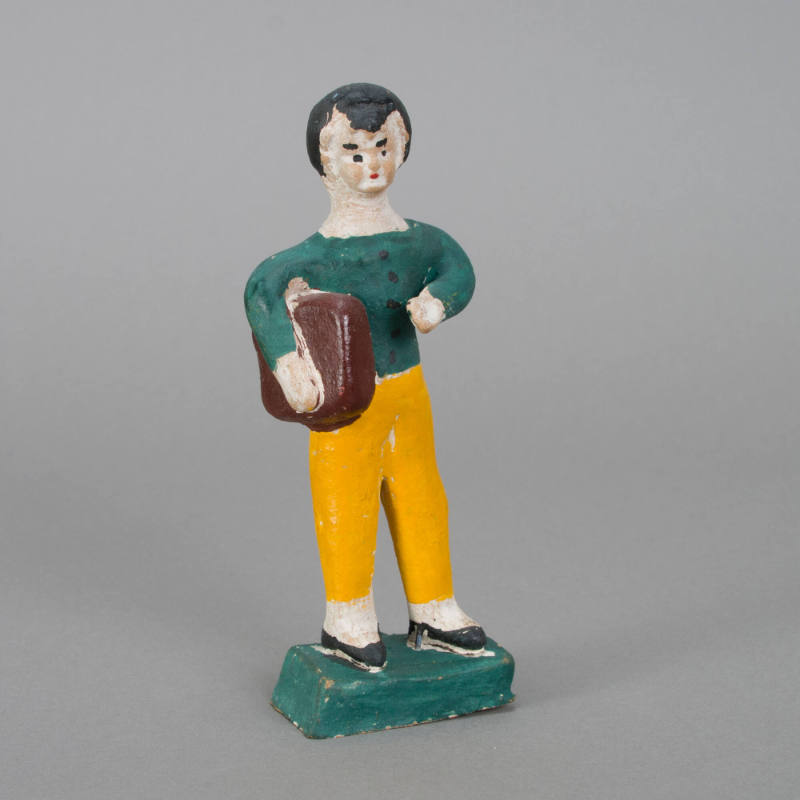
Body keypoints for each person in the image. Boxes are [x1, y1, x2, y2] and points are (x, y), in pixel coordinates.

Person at [245, 83, 485, 670]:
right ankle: (346, 615)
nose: (371, 164)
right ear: (325, 159)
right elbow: (261, 291)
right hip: (348, 404)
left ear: (403, 149)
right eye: (353, 151)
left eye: (382, 147)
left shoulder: (419, 240)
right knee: (345, 503)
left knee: (421, 494)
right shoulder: (312, 257)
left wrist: (438, 301)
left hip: (407, 391)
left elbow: (457, 268)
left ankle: (434, 606)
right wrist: (287, 361)